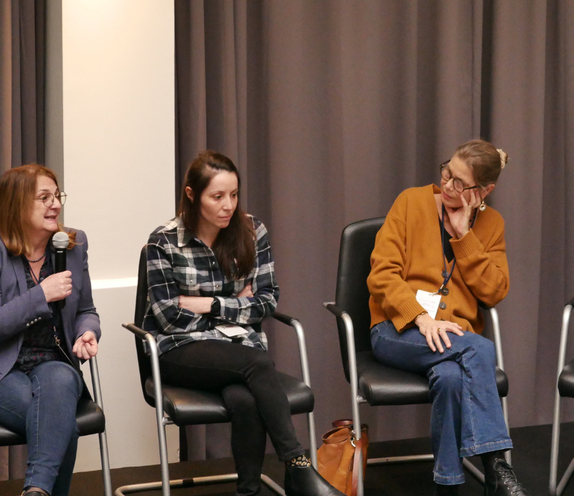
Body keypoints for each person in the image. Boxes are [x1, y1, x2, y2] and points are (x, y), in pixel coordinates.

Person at [142, 150, 343, 496]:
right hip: (180, 352)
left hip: (236, 351)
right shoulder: (163, 242)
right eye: (217, 196)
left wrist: (207, 304)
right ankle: (298, 466)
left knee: (246, 400)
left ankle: (248, 491)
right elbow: (168, 317)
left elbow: (266, 303)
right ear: (192, 195)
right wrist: (238, 304)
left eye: (233, 195)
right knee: (257, 362)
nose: (228, 205)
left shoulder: (252, 231)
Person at [367, 140, 529, 496]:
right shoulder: (410, 202)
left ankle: (448, 485)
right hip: (397, 330)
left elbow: (495, 291)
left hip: (451, 342)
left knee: (451, 378)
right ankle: (496, 466)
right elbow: (381, 275)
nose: (448, 186)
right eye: (447, 174)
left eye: (460, 183)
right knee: (479, 350)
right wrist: (421, 318)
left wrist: (465, 237)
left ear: (485, 190)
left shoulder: (491, 224)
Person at [0, 165, 101, 496]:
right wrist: (41, 294)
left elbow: (86, 310)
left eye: (57, 195)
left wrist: (88, 332)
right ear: (16, 204)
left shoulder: (72, 244)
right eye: (44, 198)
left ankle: (35, 491)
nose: (55, 205)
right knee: (60, 426)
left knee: (59, 386)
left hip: (53, 362)